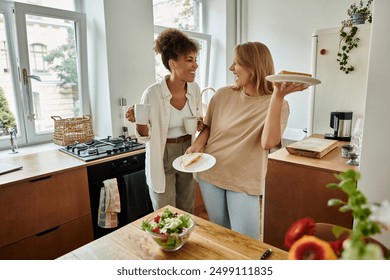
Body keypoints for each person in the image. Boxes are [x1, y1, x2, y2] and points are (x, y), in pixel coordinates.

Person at [187, 42, 308, 239]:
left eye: (236, 63)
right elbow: (209, 127)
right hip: (211, 173)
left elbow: (268, 143)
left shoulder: (279, 104)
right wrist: (197, 144)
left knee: (246, 241)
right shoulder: (222, 94)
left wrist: (277, 95)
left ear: (253, 66)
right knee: (221, 233)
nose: (231, 68)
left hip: (244, 178)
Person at [126, 28, 204, 213]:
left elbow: (198, 121)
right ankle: (167, 241)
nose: (195, 65)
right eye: (189, 60)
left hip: (188, 150)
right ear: (173, 63)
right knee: (165, 211)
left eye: (196, 60)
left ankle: (185, 242)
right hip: (162, 153)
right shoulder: (152, 93)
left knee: (186, 208)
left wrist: (199, 124)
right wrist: (139, 121)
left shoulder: (194, 90)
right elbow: (144, 137)